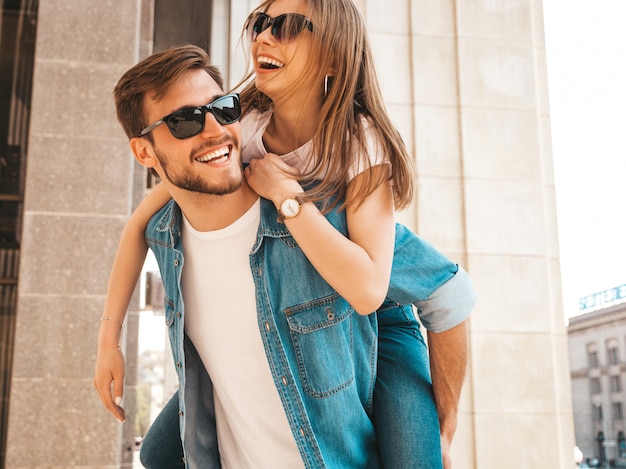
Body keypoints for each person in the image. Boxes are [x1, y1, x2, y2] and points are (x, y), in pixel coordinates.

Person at [94, 1, 475, 467]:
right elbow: (139, 222)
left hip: (382, 318)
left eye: (290, 27)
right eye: (260, 23)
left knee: (420, 457)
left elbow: (378, 291)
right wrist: (108, 341)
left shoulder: (358, 146)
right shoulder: (245, 128)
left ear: (334, 56)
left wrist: (445, 427)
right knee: (157, 453)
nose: (264, 37)